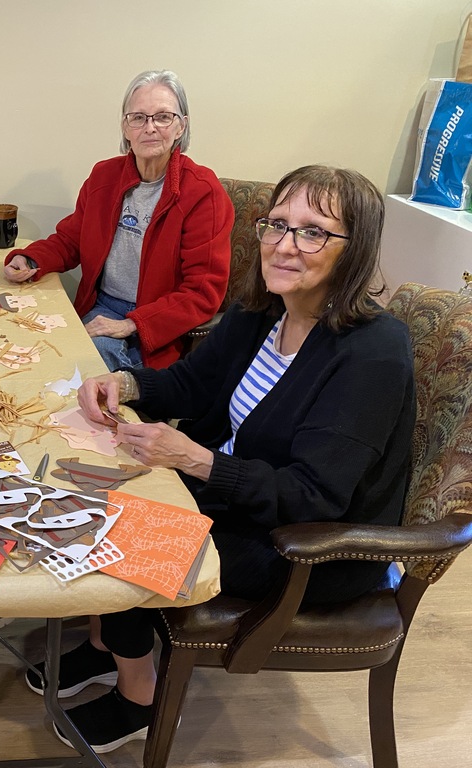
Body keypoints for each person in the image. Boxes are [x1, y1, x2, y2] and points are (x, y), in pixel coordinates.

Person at [25, 165, 416, 753]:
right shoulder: (264, 311)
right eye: (277, 224)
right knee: (96, 488)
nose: (285, 245)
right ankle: (109, 645)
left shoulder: (372, 354)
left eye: (313, 232)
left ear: (353, 248)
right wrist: (124, 385)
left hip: (308, 546)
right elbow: (192, 384)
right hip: (240, 497)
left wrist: (197, 460)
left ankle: (139, 694)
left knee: (120, 535)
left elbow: (312, 496)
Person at [3, 69, 233, 371]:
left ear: (181, 127)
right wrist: (30, 259)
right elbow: (72, 239)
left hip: (160, 322)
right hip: (103, 306)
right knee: (27, 344)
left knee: (88, 361)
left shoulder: (203, 192)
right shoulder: (104, 177)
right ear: (125, 128)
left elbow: (203, 292)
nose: (150, 128)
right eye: (138, 117)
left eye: (163, 117)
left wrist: (132, 324)